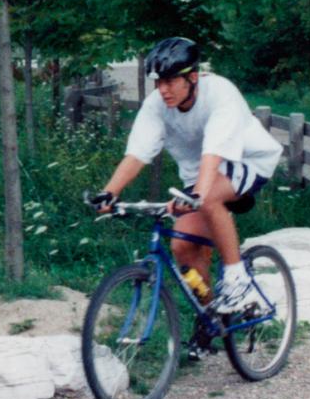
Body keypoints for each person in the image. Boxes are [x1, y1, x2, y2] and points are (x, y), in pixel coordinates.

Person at [91, 36, 284, 313]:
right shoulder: (157, 105)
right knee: (183, 247)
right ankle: (211, 317)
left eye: (170, 81)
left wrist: (197, 195)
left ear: (192, 77)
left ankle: (236, 278)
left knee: (207, 199)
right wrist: (110, 192)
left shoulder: (219, 93)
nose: (163, 90)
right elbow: (137, 154)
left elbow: (214, 152)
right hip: (202, 178)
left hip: (245, 161)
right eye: (158, 82)